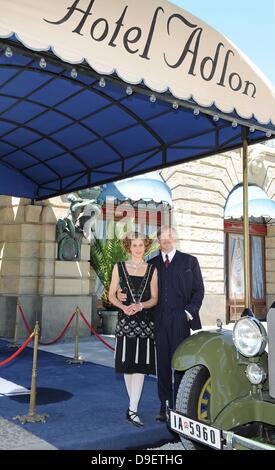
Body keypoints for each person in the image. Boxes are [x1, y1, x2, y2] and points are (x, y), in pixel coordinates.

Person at [117, 225, 204, 422]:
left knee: (181, 364)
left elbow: (198, 290)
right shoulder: (151, 264)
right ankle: (165, 406)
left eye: (169, 236)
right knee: (162, 365)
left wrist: (188, 313)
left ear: (175, 238)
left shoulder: (190, 262)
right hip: (157, 321)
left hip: (181, 320)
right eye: (162, 237)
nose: (166, 240)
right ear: (158, 240)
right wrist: (121, 295)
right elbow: (139, 290)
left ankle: (181, 406)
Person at [108, 232, 158, 427]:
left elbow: (155, 298)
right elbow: (111, 295)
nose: (138, 248)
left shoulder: (152, 269)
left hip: (145, 323)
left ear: (146, 247)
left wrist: (140, 306)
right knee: (128, 367)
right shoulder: (118, 267)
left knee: (140, 368)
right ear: (129, 247)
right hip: (125, 322)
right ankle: (132, 406)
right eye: (134, 245)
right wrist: (123, 307)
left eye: (141, 245)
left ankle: (133, 409)